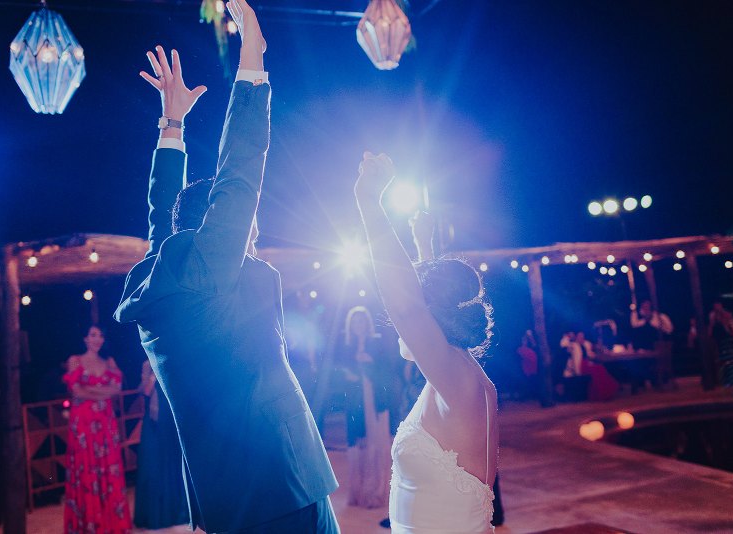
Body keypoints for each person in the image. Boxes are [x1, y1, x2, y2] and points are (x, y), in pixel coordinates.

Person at [113, 2, 338, 531]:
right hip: (282, 483)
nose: (251, 236)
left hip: (221, 498)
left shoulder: (156, 282)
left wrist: (172, 124)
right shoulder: (210, 269)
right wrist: (253, 57)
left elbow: (159, 214)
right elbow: (242, 170)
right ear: (217, 231)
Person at [354, 152, 498, 533]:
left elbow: (408, 307)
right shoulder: (454, 369)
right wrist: (424, 247)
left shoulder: (456, 378)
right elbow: (426, 308)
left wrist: (369, 203)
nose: (404, 333)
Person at [62, 325, 131, 534]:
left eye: (101, 335)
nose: (97, 339)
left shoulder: (109, 362)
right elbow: (76, 390)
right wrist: (102, 392)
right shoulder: (75, 360)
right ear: (84, 338)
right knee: (85, 466)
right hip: (83, 424)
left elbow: (116, 389)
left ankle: (109, 523)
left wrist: (90, 391)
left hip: (105, 422)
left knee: (108, 465)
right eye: (93, 335)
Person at [339, 305, 392, 508]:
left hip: (375, 400)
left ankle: (376, 493)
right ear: (350, 325)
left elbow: (388, 372)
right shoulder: (347, 346)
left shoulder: (377, 343)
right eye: (355, 322)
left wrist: (369, 363)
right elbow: (339, 373)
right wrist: (350, 375)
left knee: (376, 446)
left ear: (367, 323)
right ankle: (357, 493)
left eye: (361, 321)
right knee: (356, 446)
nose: (358, 325)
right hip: (354, 401)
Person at [133, 360, 188, 530]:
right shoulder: (146, 364)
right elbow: (146, 391)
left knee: (174, 466)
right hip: (154, 421)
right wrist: (152, 375)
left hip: (172, 419)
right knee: (153, 466)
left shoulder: (172, 359)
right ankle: (155, 516)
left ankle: (178, 513)